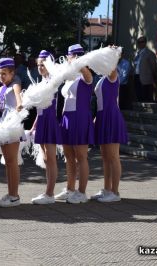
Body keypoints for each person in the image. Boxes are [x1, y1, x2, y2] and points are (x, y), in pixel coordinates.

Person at [53, 44, 94, 204]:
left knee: (81, 156)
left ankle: (82, 192)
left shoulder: (86, 75)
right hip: (67, 118)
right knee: (69, 156)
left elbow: (85, 71)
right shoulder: (70, 77)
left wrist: (79, 62)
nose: (67, 59)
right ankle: (70, 189)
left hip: (80, 117)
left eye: (69, 56)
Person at [93, 52, 128, 202]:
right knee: (105, 157)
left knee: (113, 156)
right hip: (101, 117)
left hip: (111, 117)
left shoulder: (112, 76)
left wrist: (112, 54)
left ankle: (115, 192)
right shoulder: (102, 79)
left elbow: (113, 66)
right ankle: (107, 189)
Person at [30, 50, 63, 204]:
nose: (40, 67)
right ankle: (47, 192)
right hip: (42, 120)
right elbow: (39, 109)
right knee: (45, 158)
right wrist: (34, 125)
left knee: (51, 158)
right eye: (38, 65)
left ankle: (50, 194)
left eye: (43, 64)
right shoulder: (41, 82)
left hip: (50, 120)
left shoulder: (53, 80)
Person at [0, 58, 24, 208]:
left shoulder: (15, 85)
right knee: (7, 162)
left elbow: (19, 99)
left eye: (4, 73)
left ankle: (15, 196)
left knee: (12, 162)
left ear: (12, 73)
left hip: (12, 127)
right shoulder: (1, 88)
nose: (1, 76)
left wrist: (19, 105)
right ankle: (10, 193)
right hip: (3, 127)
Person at [133, 36, 157, 103]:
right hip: (137, 75)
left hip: (146, 77)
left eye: (142, 42)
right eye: (139, 42)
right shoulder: (137, 53)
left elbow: (153, 66)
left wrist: (151, 75)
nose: (140, 43)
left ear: (145, 42)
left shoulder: (150, 53)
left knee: (145, 96)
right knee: (138, 93)